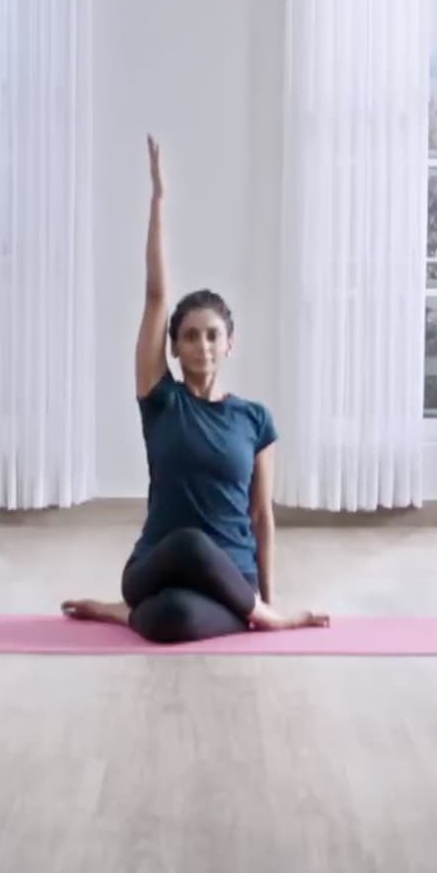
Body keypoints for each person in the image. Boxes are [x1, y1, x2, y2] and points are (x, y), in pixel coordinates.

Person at [62, 136, 330, 643]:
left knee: (176, 620)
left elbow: (261, 515)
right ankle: (241, 615)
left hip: (232, 576)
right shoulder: (161, 400)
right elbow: (156, 295)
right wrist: (158, 200)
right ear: (174, 347)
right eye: (189, 336)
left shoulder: (255, 419)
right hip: (158, 565)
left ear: (230, 344)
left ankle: (232, 612)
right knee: (187, 544)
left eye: (212, 335)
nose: (202, 346)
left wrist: (267, 595)